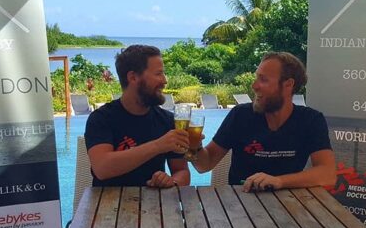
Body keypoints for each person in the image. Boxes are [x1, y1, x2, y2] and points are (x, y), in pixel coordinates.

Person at [190, 52, 335, 192]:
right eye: (256, 78)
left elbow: (327, 174)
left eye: (263, 80)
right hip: (241, 202)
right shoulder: (240, 115)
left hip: (290, 202)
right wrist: (194, 147)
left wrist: (279, 181)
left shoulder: (310, 120)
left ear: (288, 85)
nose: (254, 86)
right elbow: (205, 164)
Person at [84, 45, 190, 188]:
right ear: (133, 77)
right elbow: (102, 168)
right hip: (109, 201)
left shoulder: (167, 120)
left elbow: (182, 171)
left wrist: (173, 181)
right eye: (158, 74)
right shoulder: (102, 119)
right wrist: (159, 145)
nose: (164, 80)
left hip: (154, 200)